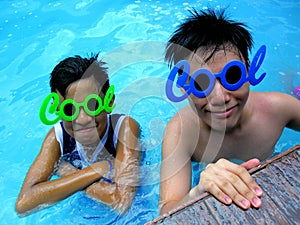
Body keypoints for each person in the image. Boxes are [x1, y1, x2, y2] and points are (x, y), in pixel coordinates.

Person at [159, 8, 300, 214]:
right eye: (201, 83)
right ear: (183, 88)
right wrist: (197, 192)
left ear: (249, 70)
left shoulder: (280, 108)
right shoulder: (181, 133)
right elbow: (165, 213)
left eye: (232, 75)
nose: (219, 98)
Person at [16, 54, 141, 215]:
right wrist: (96, 170)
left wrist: (69, 172)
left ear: (109, 102)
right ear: (57, 109)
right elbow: (24, 203)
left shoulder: (124, 128)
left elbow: (122, 202)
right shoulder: (57, 138)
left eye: (93, 105)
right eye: (70, 109)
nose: (83, 119)